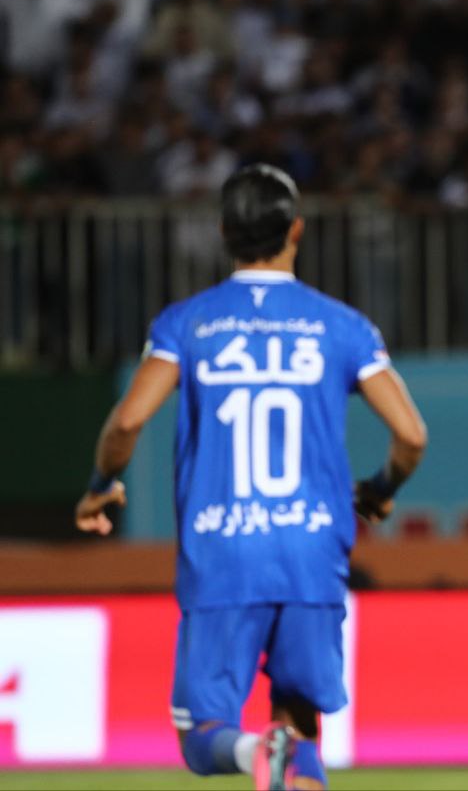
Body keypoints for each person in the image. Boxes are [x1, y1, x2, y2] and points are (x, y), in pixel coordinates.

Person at [73, 164, 426, 790]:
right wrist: (380, 489)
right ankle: (279, 748)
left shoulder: (187, 323)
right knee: (300, 726)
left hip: (222, 548)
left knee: (202, 735)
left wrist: (101, 485)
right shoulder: (343, 325)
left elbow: (127, 422)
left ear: (223, 232)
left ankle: (250, 753)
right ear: (297, 230)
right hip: (312, 549)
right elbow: (411, 435)